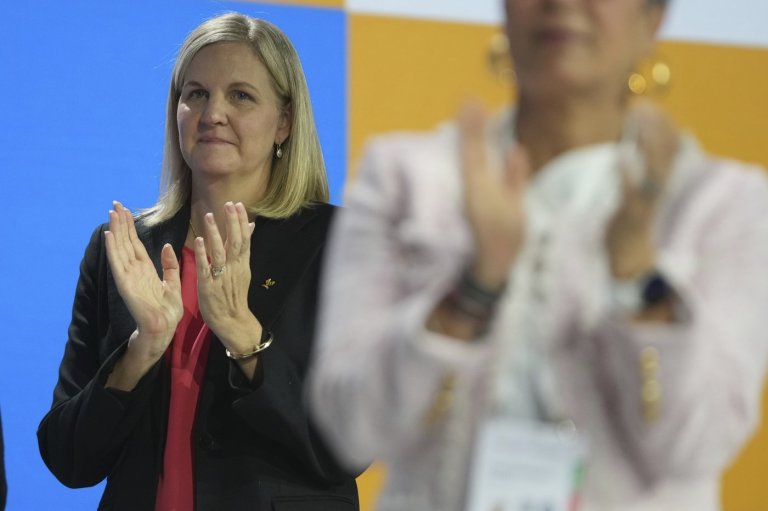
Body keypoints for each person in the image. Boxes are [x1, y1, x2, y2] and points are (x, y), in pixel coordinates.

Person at [308, 0, 768, 510]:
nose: (562, 4)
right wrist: (474, 290)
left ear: (652, 19)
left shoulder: (718, 201)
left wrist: (639, 276)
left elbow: (698, 445)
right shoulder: (407, 177)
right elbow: (351, 426)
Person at [38, 13, 358, 510]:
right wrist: (141, 350)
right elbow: (68, 457)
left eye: (241, 96)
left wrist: (245, 339)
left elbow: (347, 445)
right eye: (196, 94)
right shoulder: (121, 248)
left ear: (285, 122)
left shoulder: (341, 244)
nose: (213, 113)